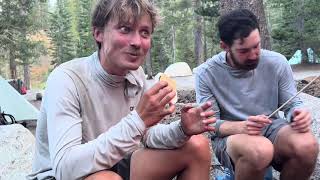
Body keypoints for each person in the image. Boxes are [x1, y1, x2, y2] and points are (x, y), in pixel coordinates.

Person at [27, 0, 216, 179]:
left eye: (144, 33)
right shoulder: (67, 79)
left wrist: (182, 129)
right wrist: (138, 121)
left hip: (113, 164)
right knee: (107, 178)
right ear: (98, 33)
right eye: (125, 29)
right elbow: (65, 169)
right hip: (61, 175)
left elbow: (147, 135)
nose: (136, 42)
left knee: (197, 146)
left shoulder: (136, 75)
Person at [194, 9, 319, 180]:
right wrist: (241, 126)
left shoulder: (277, 62)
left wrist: (297, 114)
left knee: (307, 145)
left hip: (272, 129)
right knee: (260, 150)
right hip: (232, 138)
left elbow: (292, 104)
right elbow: (210, 125)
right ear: (225, 46)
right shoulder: (206, 73)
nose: (254, 55)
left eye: (257, 46)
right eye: (244, 51)